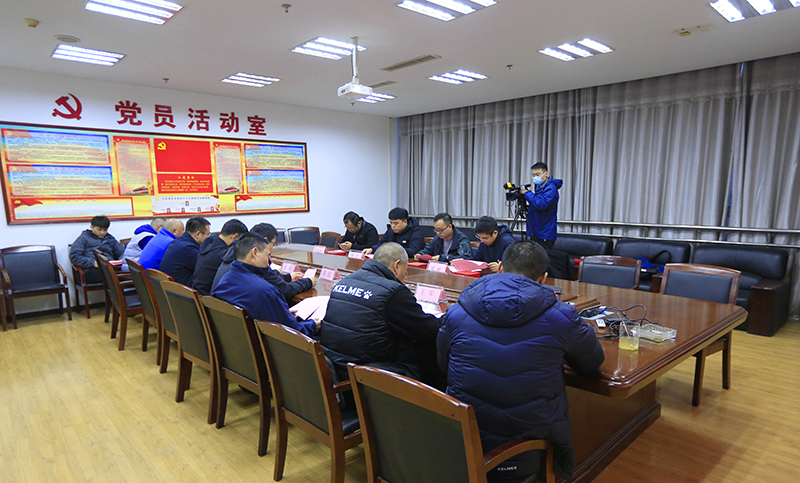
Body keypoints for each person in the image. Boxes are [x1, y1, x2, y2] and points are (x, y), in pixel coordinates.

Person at [438, 241, 604, 481]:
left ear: (500, 267)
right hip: (530, 446)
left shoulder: (456, 312)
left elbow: (443, 364)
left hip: (466, 439)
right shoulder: (561, 316)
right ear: (543, 278)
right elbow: (591, 363)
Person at [319, 242, 441, 384]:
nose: (405, 275)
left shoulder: (345, 281)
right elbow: (430, 330)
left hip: (332, 368)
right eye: (406, 270)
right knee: (425, 353)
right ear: (397, 265)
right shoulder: (393, 291)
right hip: (363, 378)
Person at [212, 233, 320, 337]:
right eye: (268, 255)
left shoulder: (225, 280)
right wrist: (312, 325)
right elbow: (294, 333)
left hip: (234, 340)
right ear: (254, 253)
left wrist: (281, 314)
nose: (268, 263)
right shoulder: (266, 292)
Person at [211, 222, 315, 301]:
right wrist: (308, 282)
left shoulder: (235, 254)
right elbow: (284, 290)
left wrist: (287, 277)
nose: (272, 249)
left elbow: (267, 277)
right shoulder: (254, 263)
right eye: (273, 244)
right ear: (264, 241)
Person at [191, 219, 248, 295]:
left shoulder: (210, 243)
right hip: (207, 298)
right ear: (235, 237)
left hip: (199, 292)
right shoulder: (222, 254)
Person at [69, 215, 125, 283]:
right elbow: (74, 256)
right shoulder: (83, 238)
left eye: (105, 230)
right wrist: (93, 262)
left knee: (128, 272)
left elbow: (122, 252)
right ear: (91, 227)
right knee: (112, 275)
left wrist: (122, 259)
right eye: (99, 230)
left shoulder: (110, 238)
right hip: (91, 269)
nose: (102, 232)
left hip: (110, 267)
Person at [521, 162, 563, 250]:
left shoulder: (551, 188)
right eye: (533, 175)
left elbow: (541, 204)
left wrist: (527, 193)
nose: (535, 177)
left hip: (544, 232)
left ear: (546, 173)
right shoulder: (539, 187)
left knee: (541, 257)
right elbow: (536, 203)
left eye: (537, 174)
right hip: (536, 230)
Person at [158, 216, 211, 286]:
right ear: (198, 234)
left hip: (170, 287)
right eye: (207, 234)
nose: (208, 237)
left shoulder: (178, 241)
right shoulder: (188, 248)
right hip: (180, 290)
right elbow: (206, 268)